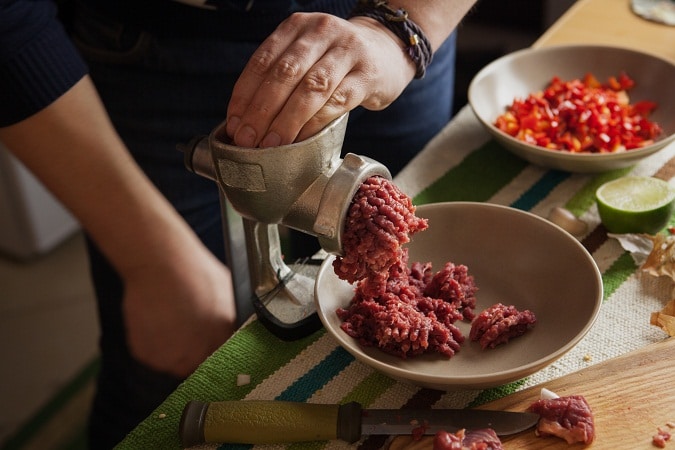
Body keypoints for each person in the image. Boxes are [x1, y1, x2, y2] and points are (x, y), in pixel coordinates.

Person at [0, 0, 476, 447]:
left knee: (402, 365)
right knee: (168, 373)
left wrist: (400, 28)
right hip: (157, 50)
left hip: (383, 34)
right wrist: (150, 261)